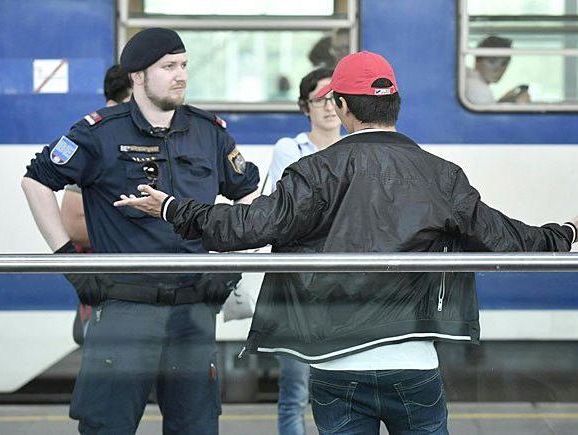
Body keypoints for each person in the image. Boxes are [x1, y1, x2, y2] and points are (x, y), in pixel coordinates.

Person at [114, 51, 578, 435]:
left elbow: (246, 228)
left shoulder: (313, 171)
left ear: (339, 106)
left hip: (333, 360)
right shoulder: (442, 176)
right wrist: (569, 232)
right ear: (395, 104)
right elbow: (509, 241)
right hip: (413, 360)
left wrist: (174, 208)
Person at [22, 27, 259, 435]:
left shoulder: (209, 132)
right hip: (124, 307)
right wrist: (69, 264)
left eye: (184, 65)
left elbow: (249, 192)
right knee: (108, 424)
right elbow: (36, 182)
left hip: (193, 308)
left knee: (196, 426)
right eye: (168, 67)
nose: (181, 75)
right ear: (137, 76)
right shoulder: (98, 133)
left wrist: (230, 264)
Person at [269, 67, 341, 435]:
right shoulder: (289, 149)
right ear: (305, 107)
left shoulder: (358, 148)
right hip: (298, 290)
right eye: (319, 99)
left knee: (344, 391)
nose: (328, 107)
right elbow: (286, 215)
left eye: (334, 98)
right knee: (296, 391)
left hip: (345, 290)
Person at [61, 64, 133, 345]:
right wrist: (146, 235)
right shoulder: (95, 147)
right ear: (111, 105)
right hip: (109, 297)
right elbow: (74, 225)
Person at [465, 35, 530, 104]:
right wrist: (519, 105)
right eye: (492, 61)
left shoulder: (468, 80)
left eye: (504, 64)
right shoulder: (478, 89)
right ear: (477, 60)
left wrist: (502, 101)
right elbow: (488, 114)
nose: (498, 69)